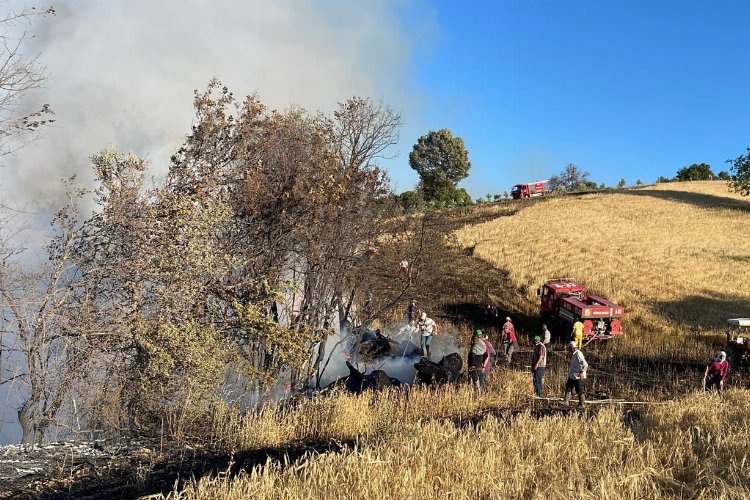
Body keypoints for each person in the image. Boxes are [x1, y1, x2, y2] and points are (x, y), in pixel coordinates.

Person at [563, 341, 588, 408]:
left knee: (579, 390)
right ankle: (566, 401)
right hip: (573, 375)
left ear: (572, 348)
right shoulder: (573, 354)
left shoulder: (578, 354)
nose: (568, 349)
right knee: (568, 387)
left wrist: (582, 372)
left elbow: (585, 364)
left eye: (569, 348)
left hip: (578, 376)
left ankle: (582, 404)